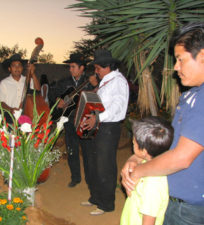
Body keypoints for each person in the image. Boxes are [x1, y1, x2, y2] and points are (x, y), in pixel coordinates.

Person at [121, 22, 204, 225]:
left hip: (188, 209)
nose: (176, 67)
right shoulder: (192, 95)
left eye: (180, 59)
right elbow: (170, 144)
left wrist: (138, 171)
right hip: (176, 202)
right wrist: (136, 157)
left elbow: (182, 158)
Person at [80, 49, 129, 215]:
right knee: (94, 163)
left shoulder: (118, 81)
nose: (96, 71)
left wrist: (98, 118)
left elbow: (118, 106)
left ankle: (106, 204)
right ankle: (95, 197)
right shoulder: (106, 81)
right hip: (99, 126)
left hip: (109, 128)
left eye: (98, 68)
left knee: (105, 166)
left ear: (108, 66)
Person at [52, 53, 98, 188]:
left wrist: (96, 86)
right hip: (68, 120)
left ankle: (90, 179)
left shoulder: (90, 81)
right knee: (71, 151)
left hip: (84, 120)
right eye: (70, 67)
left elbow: (98, 97)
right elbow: (53, 93)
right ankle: (75, 178)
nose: (70, 69)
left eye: (73, 66)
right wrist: (58, 100)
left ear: (82, 68)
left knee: (87, 151)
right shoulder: (64, 82)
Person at [120, 116, 174, 225]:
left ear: (144, 151)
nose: (132, 143)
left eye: (134, 143)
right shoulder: (145, 165)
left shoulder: (153, 183)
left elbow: (149, 221)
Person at [0, 54, 40, 122]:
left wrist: (32, 73)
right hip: (10, 117)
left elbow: (38, 90)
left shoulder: (27, 80)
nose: (17, 68)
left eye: (19, 65)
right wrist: (11, 109)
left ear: (22, 68)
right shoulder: (4, 83)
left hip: (26, 116)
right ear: (9, 69)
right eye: (14, 66)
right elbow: (0, 102)